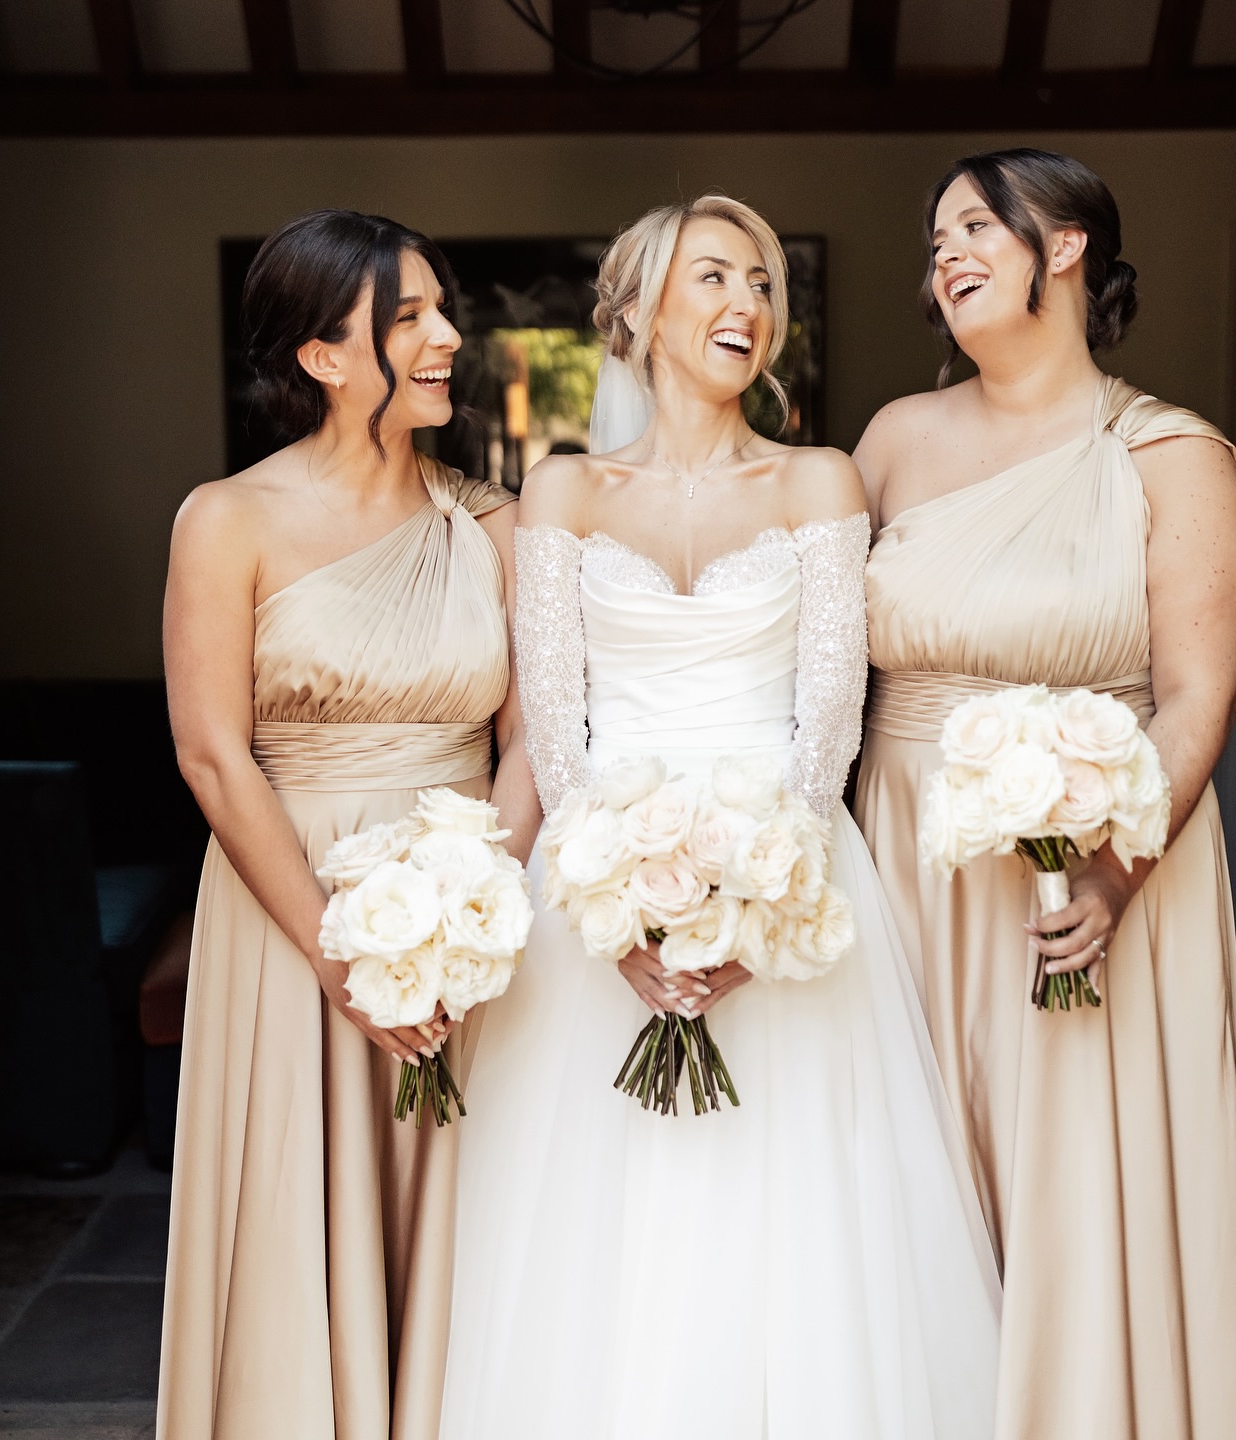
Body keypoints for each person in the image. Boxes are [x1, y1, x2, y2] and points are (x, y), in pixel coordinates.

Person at [437, 195, 1001, 1439]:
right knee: (595, 1229)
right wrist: (612, 907)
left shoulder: (818, 478)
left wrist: (758, 905)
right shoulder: (565, 492)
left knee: (795, 1219)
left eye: (762, 284)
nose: (747, 304)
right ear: (637, 311)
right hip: (599, 903)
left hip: (790, 881)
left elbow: (830, 722)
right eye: (714, 278)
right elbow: (557, 721)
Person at [852, 149, 1236, 1439]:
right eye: (936, 242)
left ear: (1071, 244)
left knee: (1076, 1170)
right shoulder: (892, 441)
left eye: (976, 225)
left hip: (1096, 865)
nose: (948, 256)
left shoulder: (1172, 455)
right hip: (908, 859)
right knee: (914, 1156)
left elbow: (1198, 699)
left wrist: (1113, 874)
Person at [158, 209, 539, 1440]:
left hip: (469, 918)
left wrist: (474, 913)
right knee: (297, 1209)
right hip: (292, 916)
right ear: (324, 357)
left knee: (463, 1226)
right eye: (410, 316)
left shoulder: (490, 522)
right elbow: (214, 756)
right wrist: (346, 958)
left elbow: (536, 738)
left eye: (442, 309)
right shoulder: (227, 520)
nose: (446, 337)